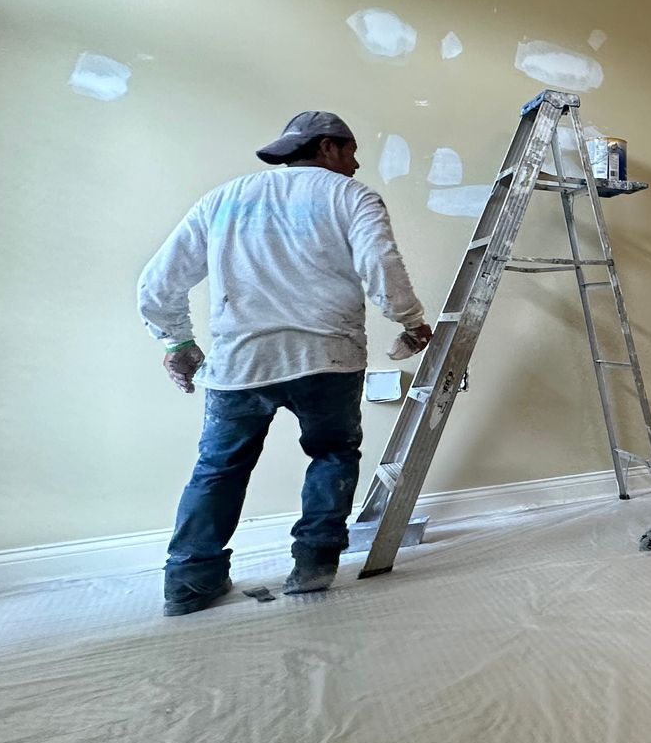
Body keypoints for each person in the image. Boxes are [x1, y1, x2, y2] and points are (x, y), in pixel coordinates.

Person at [137, 111, 433, 615]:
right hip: (327, 358)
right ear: (327, 147)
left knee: (218, 469)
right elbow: (381, 265)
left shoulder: (224, 199)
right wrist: (410, 321)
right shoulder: (351, 197)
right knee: (333, 455)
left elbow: (158, 282)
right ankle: (314, 564)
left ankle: (189, 583)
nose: (357, 163)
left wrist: (177, 343)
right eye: (352, 150)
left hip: (240, 363)